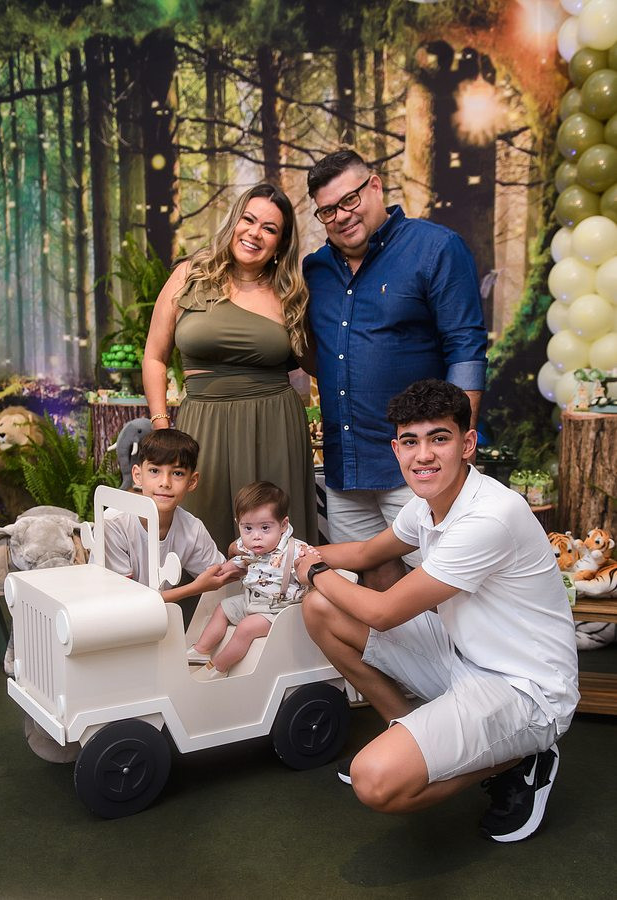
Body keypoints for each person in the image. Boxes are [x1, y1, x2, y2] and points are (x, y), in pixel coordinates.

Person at [295, 379, 579, 843]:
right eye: (410, 442)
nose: (423, 455)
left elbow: (385, 612)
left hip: (525, 689)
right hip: (459, 656)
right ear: (396, 449)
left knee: (376, 781)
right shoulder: (426, 504)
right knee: (320, 608)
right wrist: (289, 551)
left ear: (467, 444)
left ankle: (522, 759)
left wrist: (311, 570)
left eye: (439, 438)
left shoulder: (490, 515)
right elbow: (366, 553)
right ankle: (405, 727)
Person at [303, 149, 488, 590]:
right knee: (371, 584)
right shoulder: (315, 270)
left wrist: (457, 445)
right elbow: (318, 353)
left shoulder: (435, 248)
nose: (341, 216)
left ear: (375, 186)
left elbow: (466, 349)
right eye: (328, 210)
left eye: (349, 200)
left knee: (443, 590)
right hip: (347, 468)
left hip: (420, 462)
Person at [143, 183, 318, 555]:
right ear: (234, 221)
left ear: (281, 243)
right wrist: (162, 428)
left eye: (269, 228)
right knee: (197, 536)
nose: (255, 233)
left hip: (273, 425)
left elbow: (314, 361)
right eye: (248, 220)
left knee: (269, 542)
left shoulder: (290, 292)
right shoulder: (189, 275)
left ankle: (276, 597)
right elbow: (155, 357)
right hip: (201, 423)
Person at [91, 429, 240, 604]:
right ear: (138, 476)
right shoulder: (113, 523)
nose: (165, 483)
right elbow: (126, 603)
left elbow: (220, 575)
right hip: (108, 615)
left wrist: (236, 554)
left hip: (156, 617)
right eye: (154, 470)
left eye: (177, 473)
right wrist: (194, 588)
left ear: (192, 481)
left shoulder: (192, 528)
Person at [187, 481, 308, 679]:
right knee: (222, 608)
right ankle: (201, 650)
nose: (256, 537)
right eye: (248, 528)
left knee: (246, 628)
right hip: (252, 600)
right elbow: (241, 561)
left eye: (265, 528)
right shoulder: (248, 546)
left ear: (283, 525)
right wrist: (222, 570)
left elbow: (311, 570)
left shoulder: (295, 551)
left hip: (277, 610)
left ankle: (218, 667)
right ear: (239, 524)